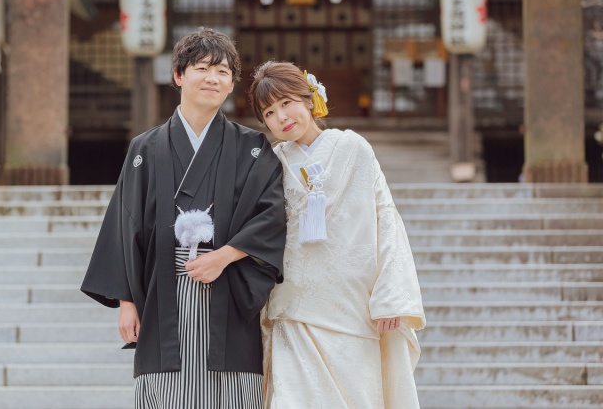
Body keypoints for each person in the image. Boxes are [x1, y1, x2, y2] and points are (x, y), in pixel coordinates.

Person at [81, 28, 287, 409]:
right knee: (166, 391)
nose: (213, 78)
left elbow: (272, 215)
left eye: (223, 72)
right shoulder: (145, 148)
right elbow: (126, 226)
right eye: (203, 68)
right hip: (161, 294)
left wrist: (223, 255)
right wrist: (127, 301)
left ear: (230, 86)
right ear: (179, 75)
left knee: (233, 392)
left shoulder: (253, 148)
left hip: (228, 287)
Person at [248, 61, 426, 409]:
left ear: (308, 97)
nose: (280, 117)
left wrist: (390, 297)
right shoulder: (270, 162)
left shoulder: (354, 149)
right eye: (269, 112)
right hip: (294, 307)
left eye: (286, 103)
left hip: (353, 306)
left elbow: (385, 220)